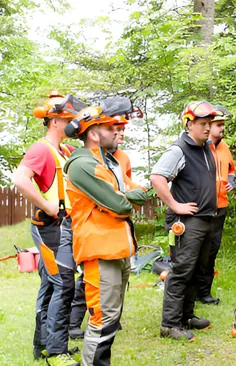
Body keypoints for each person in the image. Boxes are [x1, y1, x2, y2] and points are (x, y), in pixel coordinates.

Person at [64, 100, 147, 366]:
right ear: (93, 132)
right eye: (110, 126)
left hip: (117, 250)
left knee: (110, 319)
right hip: (99, 252)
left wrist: (123, 197)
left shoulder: (105, 162)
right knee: (103, 319)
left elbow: (138, 195)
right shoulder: (82, 165)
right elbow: (122, 205)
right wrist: (123, 198)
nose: (117, 131)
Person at [12, 91, 85, 366]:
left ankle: (43, 345)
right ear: (54, 121)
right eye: (67, 118)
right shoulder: (41, 148)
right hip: (50, 226)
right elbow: (20, 179)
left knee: (50, 286)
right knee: (63, 284)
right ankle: (56, 352)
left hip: (63, 226)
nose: (72, 123)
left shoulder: (64, 151)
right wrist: (48, 205)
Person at [151, 101, 222, 341]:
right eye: (203, 124)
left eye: (209, 124)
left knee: (197, 271)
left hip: (206, 220)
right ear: (189, 124)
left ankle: (187, 317)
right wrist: (174, 205)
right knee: (181, 271)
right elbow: (158, 177)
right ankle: (169, 325)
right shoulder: (178, 149)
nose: (207, 128)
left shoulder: (205, 148)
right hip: (186, 221)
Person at [195, 105, 235, 305]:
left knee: (212, 250)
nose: (222, 129)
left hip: (221, 206)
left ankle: (204, 293)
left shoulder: (225, 147)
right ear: (208, 126)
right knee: (198, 251)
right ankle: (191, 291)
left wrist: (231, 182)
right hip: (202, 208)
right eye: (218, 125)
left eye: (223, 125)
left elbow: (231, 170)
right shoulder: (200, 148)